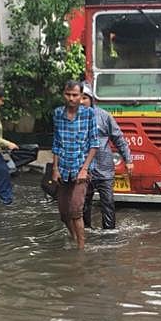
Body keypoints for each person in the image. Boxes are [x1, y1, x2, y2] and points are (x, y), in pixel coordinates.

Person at [51, 80, 99, 249]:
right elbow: (56, 143)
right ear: (63, 94)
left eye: (75, 95)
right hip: (63, 168)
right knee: (64, 213)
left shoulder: (89, 114)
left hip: (81, 168)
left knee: (75, 210)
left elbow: (94, 144)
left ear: (81, 96)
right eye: (68, 94)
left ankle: (81, 248)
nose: (71, 98)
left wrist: (84, 169)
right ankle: (73, 238)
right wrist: (55, 169)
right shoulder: (58, 113)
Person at [80, 83, 133, 230]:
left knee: (108, 202)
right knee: (83, 203)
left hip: (104, 168)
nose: (81, 101)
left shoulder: (104, 116)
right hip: (83, 169)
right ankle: (85, 231)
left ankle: (109, 233)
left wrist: (128, 160)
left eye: (84, 98)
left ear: (91, 99)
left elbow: (119, 139)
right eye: (79, 98)